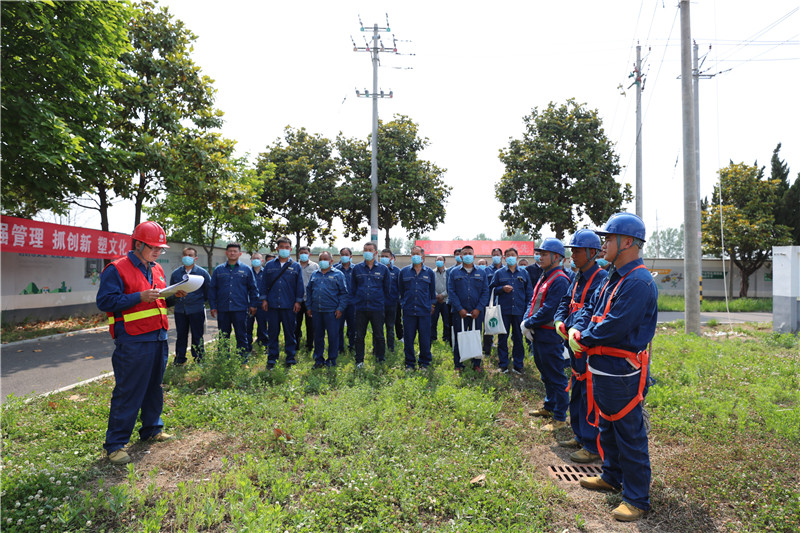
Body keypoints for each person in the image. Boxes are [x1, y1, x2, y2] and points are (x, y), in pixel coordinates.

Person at [568, 213, 657, 522]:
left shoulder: (639, 282)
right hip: (602, 367)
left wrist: (583, 338)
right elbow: (590, 309)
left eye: (608, 238)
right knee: (607, 426)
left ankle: (636, 498)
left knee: (629, 434)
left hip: (622, 371)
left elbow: (615, 326)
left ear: (628, 242)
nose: (603, 244)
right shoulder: (612, 276)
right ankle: (611, 476)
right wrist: (576, 328)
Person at [96, 221, 184, 465]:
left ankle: (152, 429)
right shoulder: (117, 269)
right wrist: (139, 297)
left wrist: (174, 297)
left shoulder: (156, 269)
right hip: (133, 340)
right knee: (129, 390)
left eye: (160, 248)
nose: (157, 252)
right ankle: (115, 444)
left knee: (154, 387)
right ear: (138, 244)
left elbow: (158, 301)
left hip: (158, 336)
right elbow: (105, 302)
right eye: (153, 247)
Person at [553, 229, 608, 464]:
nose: (572, 255)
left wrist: (577, 331)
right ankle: (580, 435)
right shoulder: (577, 276)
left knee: (589, 394)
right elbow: (566, 301)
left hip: (586, 344)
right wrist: (559, 320)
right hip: (574, 342)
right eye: (572, 250)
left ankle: (592, 444)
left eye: (577, 251)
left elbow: (592, 311)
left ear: (592, 253)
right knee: (577, 389)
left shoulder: (601, 278)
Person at [522, 238, 571, 431]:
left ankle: (560, 417)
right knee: (545, 374)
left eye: (544, 254)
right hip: (539, 334)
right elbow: (533, 302)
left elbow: (549, 310)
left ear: (556, 257)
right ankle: (549, 406)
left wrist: (528, 323)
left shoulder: (560, 280)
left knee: (556, 376)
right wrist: (526, 321)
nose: (539, 257)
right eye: (539, 254)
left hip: (550, 336)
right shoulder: (545, 276)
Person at [209, 243, 259, 360]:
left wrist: (253, 305)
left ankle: (242, 359)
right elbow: (212, 289)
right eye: (230, 251)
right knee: (223, 336)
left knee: (241, 335)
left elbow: (253, 288)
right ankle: (223, 359)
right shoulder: (219, 270)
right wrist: (213, 306)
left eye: (235, 251)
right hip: (223, 309)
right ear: (226, 253)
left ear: (239, 253)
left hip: (240, 309)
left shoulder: (246, 269)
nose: (232, 253)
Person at [262, 237, 304, 369]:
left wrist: (298, 302)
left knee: (290, 333)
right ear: (277, 249)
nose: (284, 249)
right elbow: (263, 284)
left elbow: (300, 286)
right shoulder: (269, 265)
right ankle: (272, 359)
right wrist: (264, 299)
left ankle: (290, 358)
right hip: (272, 305)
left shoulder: (296, 266)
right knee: (272, 333)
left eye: (287, 247)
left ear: (291, 249)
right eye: (282, 247)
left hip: (289, 306)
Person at [489, 247, 533, 374]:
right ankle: (503, 364)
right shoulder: (499, 273)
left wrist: (528, 310)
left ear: (517, 257)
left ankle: (518, 364)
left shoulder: (524, 273)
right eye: (508, 255)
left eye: (512, 255)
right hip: (504, 311)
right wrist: (502, 288)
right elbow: (491, 289)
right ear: (504, 258)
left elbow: (529, 293)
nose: (510, 257)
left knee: (518, 338)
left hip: (519, 311)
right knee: (502, 337)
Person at [447, 244, 490, 371]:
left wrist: (478, 308)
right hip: (459, 312)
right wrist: (459, 308)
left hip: (476, 312)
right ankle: (458, 364)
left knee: (476, 337)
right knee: (459, 337)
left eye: (470, 253)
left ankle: (476, 363)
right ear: (460, 256)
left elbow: (485, 292)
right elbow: (451, 292)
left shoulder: (481, 272)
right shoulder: (454, 272)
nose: (467, 256)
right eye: (464, 254)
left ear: (474, 256)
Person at [350, 242, 391, 368]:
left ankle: (380, 359)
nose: (367, 252)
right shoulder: (357, 269)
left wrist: (381, 302)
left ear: (375, 252)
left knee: (379, 335)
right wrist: (356, 302)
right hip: (361, 308)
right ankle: (359, 361)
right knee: (359, 336)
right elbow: (353, 289)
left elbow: (387, 290)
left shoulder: (383, 269)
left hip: (377, 308)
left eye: (370, 250)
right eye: (365, 250)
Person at [168, 247, 211, 366]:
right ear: (182, 257)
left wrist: (199, 301)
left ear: (195, 258)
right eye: (185, 254)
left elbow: (208, 291)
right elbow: (172, 291)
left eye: (190, 255)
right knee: (181, 335)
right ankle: (180, 359)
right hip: (180, 310)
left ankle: (199, 359)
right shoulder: (176, 273)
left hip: (196, 309)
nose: (187, 257)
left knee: (197, 336)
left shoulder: (202, 273)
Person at [306, 251, 349, 368]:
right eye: (321, 259)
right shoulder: (314, 274)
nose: (323, 261)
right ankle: (318, 359)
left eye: (325, 259)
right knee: (318, 336)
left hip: (332, 312)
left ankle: (331, 359)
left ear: (331, 261)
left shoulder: (338, 274)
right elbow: (309, 291)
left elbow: (344, 293)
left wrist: (340, 309)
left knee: (333, 336)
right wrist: (309, 306)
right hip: (317, 311)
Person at [398, 246, 436, 369]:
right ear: (411, 256)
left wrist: (432, 305)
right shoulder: (404, 272)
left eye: (417, 254)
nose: (415, 256)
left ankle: (424, 362)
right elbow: (401, 290)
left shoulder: (429, 272)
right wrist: (404, 303)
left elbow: (432, 292)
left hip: (424, 311)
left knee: (424, 338)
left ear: (423, 256)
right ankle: (410, 363)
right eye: (413, 254)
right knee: (409, 339)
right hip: (409, 311)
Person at [294, 246, 319, 352]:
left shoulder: (315, 266)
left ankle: (310, 345)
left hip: (310, 300)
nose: (303, 254)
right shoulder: (294, 266)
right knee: (296, 324)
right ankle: (296, 345)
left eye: (305, 252)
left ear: (309, 254)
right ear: (298, 254)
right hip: (297, 300)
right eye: (301, 253)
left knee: (311, 325)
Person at [333, 247, 356, 353]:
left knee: (353, 327)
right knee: (338, 327)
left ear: (351, 256)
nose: (344, 256)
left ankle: (352, 347)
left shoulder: (355, 269)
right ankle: (339, 348)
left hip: (352, 303)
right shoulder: (335, 269)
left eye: (346, 254)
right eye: (342, 254)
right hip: (339, 304)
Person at [482, 247, 504, 358]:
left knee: (502, 327)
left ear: (502, 256)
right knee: (488, 326)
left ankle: (502, 349)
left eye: (498, 254)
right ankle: (486, 350)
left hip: (503, 303)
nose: (496, 256)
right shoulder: (486, 271)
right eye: (494, 255)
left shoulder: (505, 270)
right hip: (489, 302)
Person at [246, 252, 269, 353]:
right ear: (251, 260)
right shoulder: (247, 272)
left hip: (262, 304)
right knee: (248, 327)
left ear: (262, 261)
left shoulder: (266, 273)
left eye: (258, 258)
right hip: (249, 304)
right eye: (253, 259)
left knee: (263, 327)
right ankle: (247, 347)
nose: (256, 260)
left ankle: (264, 346)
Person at [380, 248, 401, 353]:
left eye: (386, 256)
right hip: (378, 305)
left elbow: (401, 288)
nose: (384, 258)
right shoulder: (377, 269)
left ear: (391, 258)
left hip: (392, 304)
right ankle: (377, 349)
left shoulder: (397, 271)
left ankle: (391, 348)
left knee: (390, 327)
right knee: (378, 328)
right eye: (382, 256)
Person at [431, 255, 450, 345]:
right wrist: (437, 296)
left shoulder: (449, 272)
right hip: (435, 301)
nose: (439, 261)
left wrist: (442, 295)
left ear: (444, 262)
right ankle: (433, 337)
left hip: (446, 300)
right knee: (433, 321)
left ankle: (446, 338)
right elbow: (430, 286)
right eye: (437, 260)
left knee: (446, 321)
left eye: (440, 260)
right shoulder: (432, 272)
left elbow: (450, 286)